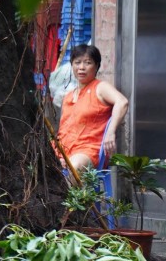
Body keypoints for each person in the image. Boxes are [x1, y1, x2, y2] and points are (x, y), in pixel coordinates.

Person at [55, 44, 130, 174]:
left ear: (96, 66)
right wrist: (59, 156)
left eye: (88, 63)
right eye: (77, 63)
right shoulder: (68, 96)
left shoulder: (100, 87)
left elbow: (122, 102)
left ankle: (69, 195)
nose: (81, 68)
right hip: (63, 149)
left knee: (74, 166)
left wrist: (110, 132)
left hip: (88, 150)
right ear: (72, 65)